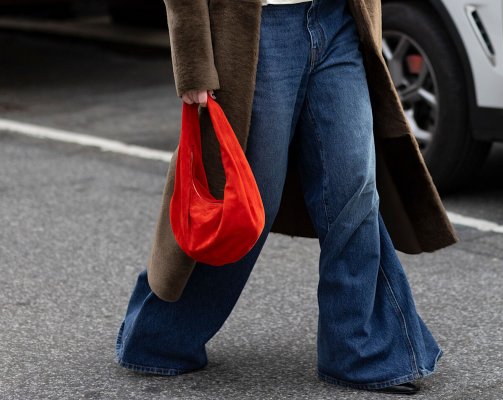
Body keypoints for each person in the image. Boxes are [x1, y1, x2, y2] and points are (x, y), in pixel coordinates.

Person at [115, 0, 444, 395]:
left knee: (353, 190)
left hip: (337, 20)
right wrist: (194, 61)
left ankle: (360, 353)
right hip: (256, 29)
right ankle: (160, 338)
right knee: (244, 204)